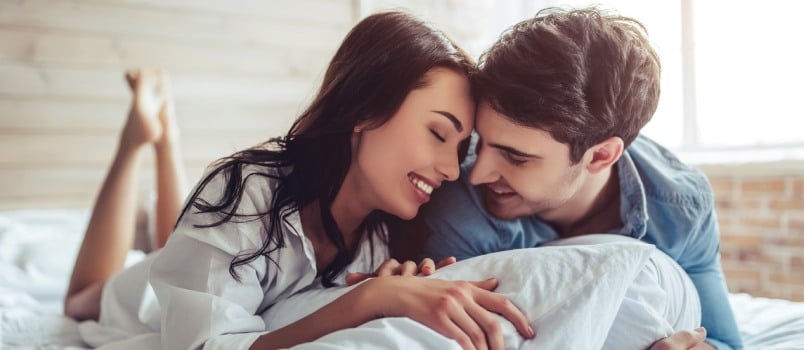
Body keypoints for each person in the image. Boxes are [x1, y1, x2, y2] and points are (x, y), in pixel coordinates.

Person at [63, 11, 534, 350]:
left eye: (459, 148)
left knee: (170, 241)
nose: (452, 169)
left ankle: (166, 138)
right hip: (155, 293)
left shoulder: (380, 235)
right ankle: (137, 141)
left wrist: (388, 287)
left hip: (205, 258)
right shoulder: (246, 189)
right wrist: (368, 298)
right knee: (82, 298)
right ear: (367, 108)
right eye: (438, 133)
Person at [415, 7, 744, 350]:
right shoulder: (463, 201)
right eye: (481, 140)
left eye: (516, 157)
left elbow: (723, 340)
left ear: (600, 156)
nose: (478, 173)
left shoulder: (680, 207)